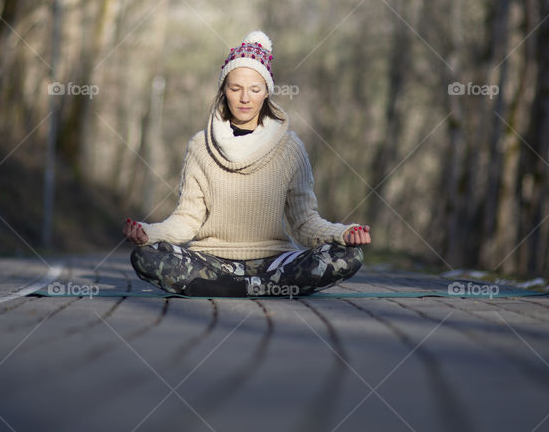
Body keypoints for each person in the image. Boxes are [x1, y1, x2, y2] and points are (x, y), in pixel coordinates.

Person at [123, 30, 371, 297]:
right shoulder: (200, 146)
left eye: (254, 89)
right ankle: (257, 289)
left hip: (275, 264)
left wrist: (343, 234)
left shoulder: (290, 149)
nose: (245, 98)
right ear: (224, 90)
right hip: (211, 262)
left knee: (348, 256)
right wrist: (149, 233)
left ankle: (231, 289)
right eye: (235, 88)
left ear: (266, 92)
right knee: (146, 257)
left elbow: (304, 224)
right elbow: (187, 220)